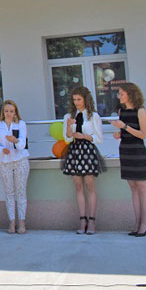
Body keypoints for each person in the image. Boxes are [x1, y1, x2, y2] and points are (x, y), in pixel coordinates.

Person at [61, 86, 104, 235]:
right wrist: (68, 126)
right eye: (74, 100)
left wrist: (84, 136)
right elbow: (67, 138)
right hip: (74, 151)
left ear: (86, 99)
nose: (76, 102)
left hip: (87, 151)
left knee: (90, 185)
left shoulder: (93, 116)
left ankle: (92, 221)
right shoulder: (68, 116)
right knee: (78, 186)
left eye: (79, 99)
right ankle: (82, 220)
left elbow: (99, 138)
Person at [110, 82, 146, 237]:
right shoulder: (121, 111)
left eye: (121, 93)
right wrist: (118, 134)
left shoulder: (141, 111)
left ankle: (144, 223)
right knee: (133, 187)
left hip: (137, 151)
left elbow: (143, 134)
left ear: (130, 94)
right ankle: (137, 223)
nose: (119, 96)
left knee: (142, 186)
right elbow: (124, 132)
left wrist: (125, 127)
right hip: (125, 150)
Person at [0, 99, 30, 234]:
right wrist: (2, 150)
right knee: (9, 192)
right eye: (6, 111)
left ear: (15, 112)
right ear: (3, 112)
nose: (8, 113)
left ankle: (22, 222)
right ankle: (12, 221)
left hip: (20, 160)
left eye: (11, 111)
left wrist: (15, 141)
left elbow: (22, 144)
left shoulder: (21, 124)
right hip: (4, 161)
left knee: (21, 191)